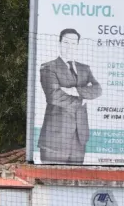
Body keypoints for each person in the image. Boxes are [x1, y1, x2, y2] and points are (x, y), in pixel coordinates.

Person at [38, 28, 101, 164]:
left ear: (78, 45)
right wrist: (81, 100)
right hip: (55, 140)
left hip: (79, 139)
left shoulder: (85, 68)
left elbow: (98, 89)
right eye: (66, 42)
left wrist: (77, 91)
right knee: (51, 181)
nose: (69, 47)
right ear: (60, 43)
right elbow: (54, 96)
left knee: (75, 181)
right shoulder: (48, 67)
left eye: (73, 43)